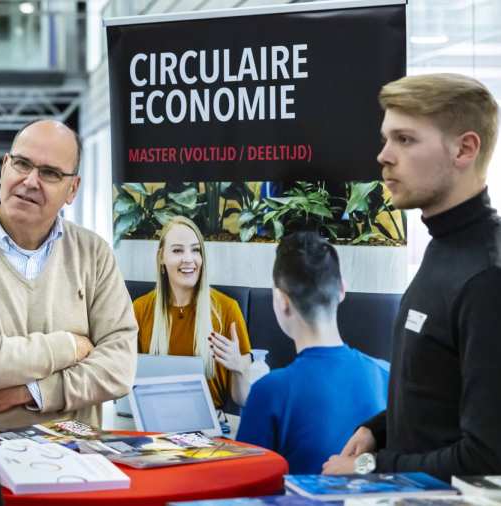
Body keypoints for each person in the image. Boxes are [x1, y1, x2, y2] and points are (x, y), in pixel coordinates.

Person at [323, 73, 501, 480]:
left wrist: (370, 466)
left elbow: (487, 457)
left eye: (404, 139)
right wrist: (378, 429)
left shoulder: (487, 278)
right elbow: (439, 393)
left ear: (465, 149)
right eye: (386, 139)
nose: (383, 156)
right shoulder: (445, 248)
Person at [0, 119, 137, 430]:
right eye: (22, 164)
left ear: (72, 189)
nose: (31, 181)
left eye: (50, 173)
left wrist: (32, 392)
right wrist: (70, 346)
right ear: (4, 167)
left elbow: (120, 365)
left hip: (75, 452)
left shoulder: (93, 253)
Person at [236, 231, 389, 474]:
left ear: (282, 301)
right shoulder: (386, 374)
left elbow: (246, 485)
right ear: (342, 289)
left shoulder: (268, 392)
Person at [132, 215, 252, 409]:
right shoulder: (140, 309)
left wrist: (239, 369)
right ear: (161, 257)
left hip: (210, 421)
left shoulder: (227, 309)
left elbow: (243, 399)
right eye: (177, 250)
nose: (188, 259)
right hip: (154, 417)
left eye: (195, 250)